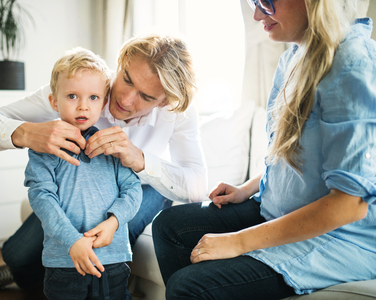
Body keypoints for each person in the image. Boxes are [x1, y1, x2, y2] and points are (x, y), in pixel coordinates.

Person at [152, 0, 376, 299]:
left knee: (189, 287)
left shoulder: (351, 64)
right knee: (170, 226)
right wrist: (246, 188)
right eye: (253, 3)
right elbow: (294, 157)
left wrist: (239, 242)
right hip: (279, 210)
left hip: (339, 237)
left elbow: (350, 203)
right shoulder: (293, 57)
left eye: (267, 2)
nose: (257, 15)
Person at [0, 34, 207, 289]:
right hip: (76, 186)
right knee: (16, 255)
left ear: (164, 101)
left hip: (141, 187)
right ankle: (23, 274)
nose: (126, 100)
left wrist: (139, 158)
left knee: (109, 239)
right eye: (126, 79)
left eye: (146, 97)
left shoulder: (177, 112)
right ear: (122, 61)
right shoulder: (79, 87)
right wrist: (26, 132)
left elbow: (197, 188)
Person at [25, 47, 142, 299]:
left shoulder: (111, 145)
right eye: (71, 96)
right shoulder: (45, 148)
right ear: (54, 101)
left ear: (104, 101)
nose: (83, 107)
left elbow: (132, 190)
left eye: (93, 98)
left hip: (113, 258)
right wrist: (72, 241)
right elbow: (42, 197)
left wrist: (115, 222)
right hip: (65, 262)